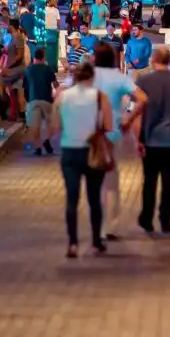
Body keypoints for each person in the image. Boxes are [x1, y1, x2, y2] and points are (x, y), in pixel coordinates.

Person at [53, 56, 113, 258]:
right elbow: (109, 126)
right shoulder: (99, 97)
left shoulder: (62, 96)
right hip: (92, 151)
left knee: (72, 199)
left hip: (70, 150)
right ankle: (96, 240)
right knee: (94, 198)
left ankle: (72, 243)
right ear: (92, 77)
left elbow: (56, 125)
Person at [130, 44, 170, 234]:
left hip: (151, 139)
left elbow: (138, 112)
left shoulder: (144, 80)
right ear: (169, 61)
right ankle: (165, 220)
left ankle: (146, 218)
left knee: (149, 181)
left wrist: (138, 139)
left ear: (153, 60)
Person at [88, 41, 140, 239]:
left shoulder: (88, 76)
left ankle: (97, 224)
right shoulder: (119, 78)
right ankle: (110, 226)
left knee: (93, 180)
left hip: (90, 134)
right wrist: (129, 119)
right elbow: (142, 98)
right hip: (112, 134)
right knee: (111, 182)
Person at [22, 47, 58, 156]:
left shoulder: (28, 70)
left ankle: (38, 148)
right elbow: (55, 84)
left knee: (34, 125)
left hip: (33, 100)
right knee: (53, 123)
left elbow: (25, 87)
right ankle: (46, 140)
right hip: (47, 100)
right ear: (43, 57)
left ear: (34, 57)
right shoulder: (48, 69)